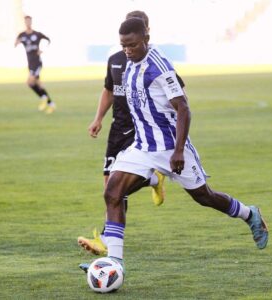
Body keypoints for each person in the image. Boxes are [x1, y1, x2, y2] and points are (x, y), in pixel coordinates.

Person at [81, 17, 268, 275]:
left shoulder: (160, 67)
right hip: (143, 147)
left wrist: (179, 150)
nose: (127, 51)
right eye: (123, 46)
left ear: (146, 38)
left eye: (132, 45)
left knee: (205, 197)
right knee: (113, 191)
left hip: (171, 148)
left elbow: (183, 108)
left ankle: (250, 215)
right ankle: (115, 262)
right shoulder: (130, 63)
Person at [77, 11, 186, 257]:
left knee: (115, 186)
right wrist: (98, 119)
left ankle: (108, 240)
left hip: (141, 129)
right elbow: (109, 90)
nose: (128, 48)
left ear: (146, 33)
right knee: (109, 184)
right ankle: (154, 179)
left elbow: (177, 94)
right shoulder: (116, 59)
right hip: (118, 127)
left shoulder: (153, 62)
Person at [15, 16, 56, 114]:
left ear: (31, 22)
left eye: (29, 21)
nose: (28, 23)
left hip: (37, 63)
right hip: (30, 63)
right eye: (26, 21)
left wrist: (43, 50)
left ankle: (43, 98)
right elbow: (15, 44)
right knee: (38, 84)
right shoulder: (22, 35)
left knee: (29, 82)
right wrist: (18, 42)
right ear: (25, 22)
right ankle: (51, 104)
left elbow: (49, 40)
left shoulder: (37, 34)